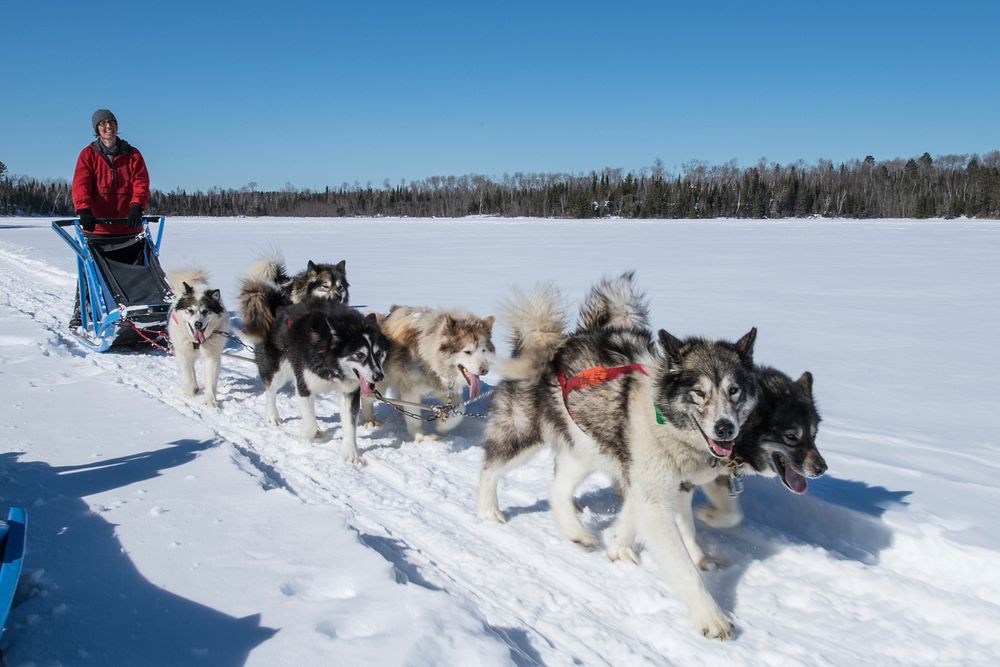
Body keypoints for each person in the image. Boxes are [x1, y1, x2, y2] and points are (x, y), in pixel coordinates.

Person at [69, 109, 151, 327]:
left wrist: (136, 206)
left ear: (116, 125)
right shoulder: (88, 154)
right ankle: (82, 312)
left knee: (136, 273)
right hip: (98, 228)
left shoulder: (132, 154)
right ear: (96, 129)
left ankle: (137, 312)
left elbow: (141, 182)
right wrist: (84, 210)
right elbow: (81, 184)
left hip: (128, 227)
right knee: (90, 270)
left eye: (111, 122)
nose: (108, 127)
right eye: (102, 124)